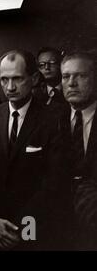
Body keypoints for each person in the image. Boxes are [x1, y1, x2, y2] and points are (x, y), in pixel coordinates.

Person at [0, 49, 70, 250]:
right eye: (4, 79)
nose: (9, 87)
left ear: (34, 78)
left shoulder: (53, 118)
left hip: (37, 228)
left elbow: (54, 180)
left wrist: (23, 228)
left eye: (17, 78)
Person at [59, 52, 97, 249]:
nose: (71, 83)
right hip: (59, 227)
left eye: (80, 76)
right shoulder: (50, 118)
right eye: (66, 76)